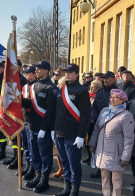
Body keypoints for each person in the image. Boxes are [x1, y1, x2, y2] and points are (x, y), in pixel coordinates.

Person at [53, 63, 91, 196]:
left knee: (73, 163)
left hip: (73, 135)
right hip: (60, 133)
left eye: (70, 72)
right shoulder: (62, 89)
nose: (67, 74)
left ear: (76, 74)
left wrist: (81, 135)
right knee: (64, 162)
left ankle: (75, 190)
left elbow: (85, 115)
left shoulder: (82, 91)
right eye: (65, 72)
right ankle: (67, 187)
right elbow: (57, 112)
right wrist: (54, 129)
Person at [89, 89, 135, 196]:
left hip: (116, 152)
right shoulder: (105, 111)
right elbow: (97, 128)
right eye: (111, 97)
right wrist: (92, 143)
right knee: (104, 176)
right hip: (102, 150)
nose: (112, 99)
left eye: (116, 97)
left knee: (116, 179)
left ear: (122, 100)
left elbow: (129, 138)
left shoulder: (126, 115)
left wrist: (125, 156)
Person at [22, 61, 58, 193]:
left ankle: (44, 179)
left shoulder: (52, 88)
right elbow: (31, 105)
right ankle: (37, 175)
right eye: (36, 69)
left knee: (45, 154)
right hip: (32, 125)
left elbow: (50, 112)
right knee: (34, 153)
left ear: (47, 71)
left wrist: (44, 128)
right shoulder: (34, 86)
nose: (36, 70)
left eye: (39, 69)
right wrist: (18, 100)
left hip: (44, 128)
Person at [90, 71, 118, 178]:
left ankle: (111, 173)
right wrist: (98, 119)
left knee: (111, 150)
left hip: (112, 125)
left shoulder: (117, 91)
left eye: (107, 78)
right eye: (104, 78)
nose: (105, 80)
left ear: (113, 79)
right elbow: (95, 107)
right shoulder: (100, 91)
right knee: (99, 148)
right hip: (100, 123)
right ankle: (100, 170)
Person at [82, 80, 102, 164]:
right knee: (85, 140)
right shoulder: (87, 95)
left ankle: (93, 158)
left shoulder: (98, 97)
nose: (91, 88)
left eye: (93, 87)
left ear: (98, 88)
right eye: (91, 86)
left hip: (93, 121)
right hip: (86, 121)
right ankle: (89, 156)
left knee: (92, 140)